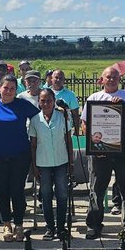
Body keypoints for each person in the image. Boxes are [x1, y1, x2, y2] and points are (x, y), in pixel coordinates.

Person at [83, 66, 125, 239]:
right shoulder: (94, 98)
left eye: (115, 77)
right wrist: (94, 147)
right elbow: (84, 124)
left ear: (119, 79)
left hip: (123, 152)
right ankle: (94, 226)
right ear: (102, 79)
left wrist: (123, 106)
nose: (112, 80)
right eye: (108, 77)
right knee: (97, 189)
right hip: (101, 153)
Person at [0, 76, 39, 241]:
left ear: (16, 90)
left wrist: (59, 111)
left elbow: (40, 118)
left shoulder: (22, 105)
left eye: (12, 88)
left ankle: (19, 225)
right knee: (2, 191)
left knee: (17, 191)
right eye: (5, 88)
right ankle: (7, 224)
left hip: (20, 155)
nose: (8, 91)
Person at [29, 89, 73, 240]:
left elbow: (68, 140)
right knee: (46, 196)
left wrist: (71, 163)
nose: (46, 103)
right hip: (43, 163)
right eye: (43, 101)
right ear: (39, 102)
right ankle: (50, 228)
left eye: (49, 100)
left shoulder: (63, 117)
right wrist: (34, 166)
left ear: (54, 101)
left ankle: (61, 228)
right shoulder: (35, 119)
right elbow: (33, 145)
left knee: (62, 194)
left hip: (61, 161)